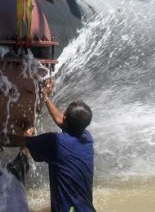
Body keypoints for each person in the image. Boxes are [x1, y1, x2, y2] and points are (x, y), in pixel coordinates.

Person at [19, 79, 97, 212]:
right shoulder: (86, 138)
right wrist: (45, 98)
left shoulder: (55, 143)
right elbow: (62, 120)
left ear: (66, 119)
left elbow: (18, 141)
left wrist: (27, 131)